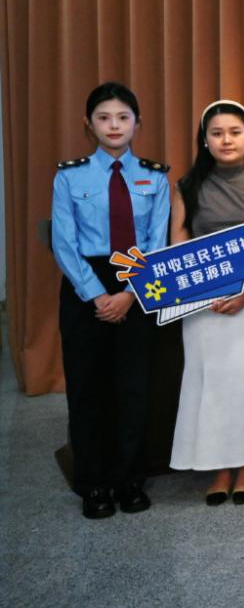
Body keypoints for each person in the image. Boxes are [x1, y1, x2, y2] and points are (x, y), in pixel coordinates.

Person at [50, 82, 170, 518]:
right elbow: (64, 243)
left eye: (123, 117)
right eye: (104, 118)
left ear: (138, 123)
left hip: (138, 284)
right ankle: (94, 483)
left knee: (133, 387)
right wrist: (99, 295)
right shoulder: (69, 176)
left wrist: (129, 295)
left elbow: (157, 241)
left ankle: (130, 479)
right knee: (88, 388)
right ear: (89, 124)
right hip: (86, 286)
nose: (114, 125)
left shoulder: (156, 176)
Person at [169, 101, 244, 504]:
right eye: (217, 133)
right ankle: (220, 466)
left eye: (235, 132)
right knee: (212, 383)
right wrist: (203, 291)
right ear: (204, 140)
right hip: (203, 302)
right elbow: (179, 242)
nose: (226, 140)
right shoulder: (187, 186)